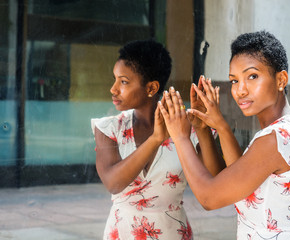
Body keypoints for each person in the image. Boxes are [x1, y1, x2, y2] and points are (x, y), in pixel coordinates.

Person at [158, 31, 290, 239]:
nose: (240, 90)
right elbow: (233, 182)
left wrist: (180, 137)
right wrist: (206, 128)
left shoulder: (275, 138)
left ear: (281, 79)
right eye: (234, 80)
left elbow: (210, 198)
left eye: (252, 76)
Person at [91, 39, 222, 240]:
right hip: (122, 232)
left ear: (151, 88)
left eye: (123, 81)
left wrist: (202, 128)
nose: (113, 89)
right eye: (115, 79)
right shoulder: (109, 128)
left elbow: (216, 180)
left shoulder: (186, 126)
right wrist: (156, 138)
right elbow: (113, 183)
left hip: (172, 232)